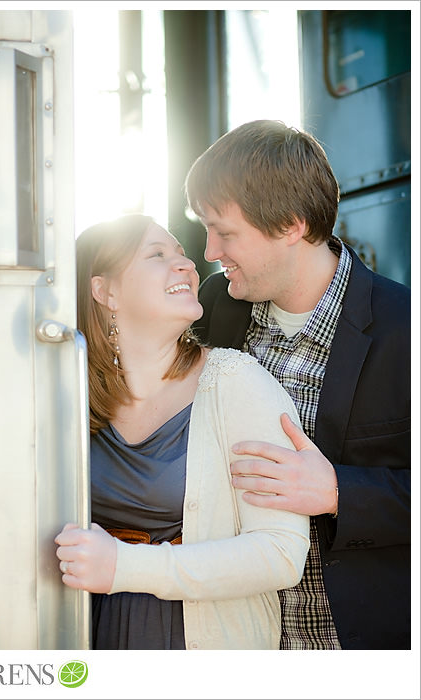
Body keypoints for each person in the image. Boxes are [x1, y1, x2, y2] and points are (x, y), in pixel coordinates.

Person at [184, 119, 410, 650]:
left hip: (353, 644)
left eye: (225, 231)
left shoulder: (407, 328)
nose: (211, 250)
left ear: (290, 224)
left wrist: (337, 492)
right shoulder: (212, 308)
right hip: (230, 638)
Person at [54, 214, 309, 650]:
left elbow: (281, 553)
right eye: (157, 255)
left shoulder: (235, 382)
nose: (187, 265)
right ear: (105, 290)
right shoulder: (70, 396)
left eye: (182, 254)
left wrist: (123, 565)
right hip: (98, 637)